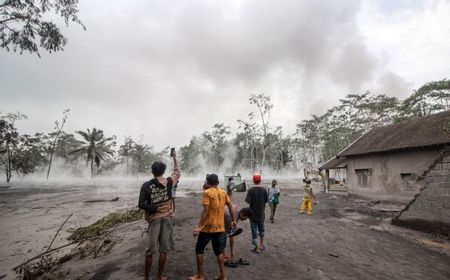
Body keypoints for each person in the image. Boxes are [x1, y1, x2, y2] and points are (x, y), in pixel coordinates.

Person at [138, 152, 180, 280]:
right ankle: (159, 277)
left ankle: (146, 278)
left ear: (152, 171)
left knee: (150, 251)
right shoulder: (169, 182)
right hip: (168, 218)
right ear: (163, 171)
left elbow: (141, 204)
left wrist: (155, 208)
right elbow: (177, 171)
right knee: (163, 250)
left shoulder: (146, 186)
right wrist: (174, 157)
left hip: (154, 219)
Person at [190, 174, 236, 280]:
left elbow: (206, 210)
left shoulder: (207, 193)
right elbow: (230, 206)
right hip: (220, 227)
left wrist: (199, 226)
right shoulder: (223, 192)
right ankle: (223, 276)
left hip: (207, 227)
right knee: (219, 252)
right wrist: (233, 220)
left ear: (207, 182)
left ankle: (200, 276)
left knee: (199, 250)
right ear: (218, 183)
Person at [245, 174, 268, 253]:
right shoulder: (264, 190)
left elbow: (248, 201)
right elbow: (266, 201)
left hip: (253, 214)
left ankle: (257, 247)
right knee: (261, 230)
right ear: (260, 180)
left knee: (254, 231)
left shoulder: (251, 190)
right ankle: (261, 245)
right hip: (261, 214)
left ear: (253, 181)